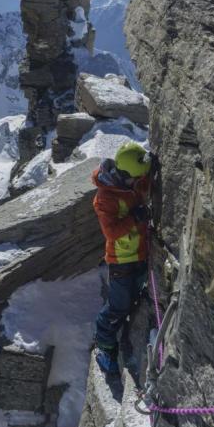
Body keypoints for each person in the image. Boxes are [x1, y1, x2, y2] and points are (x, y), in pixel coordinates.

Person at [92, 142, 152, 376]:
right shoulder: (105, 198)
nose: (137, 182)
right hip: (121, 260)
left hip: (138, 253)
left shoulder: (128, 181)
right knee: (118, 306)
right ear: (124, 175)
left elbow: (142, 182)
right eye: (134, 179)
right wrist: (134, 218)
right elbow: (111, 232)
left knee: (133, 297)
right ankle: (104, 346)